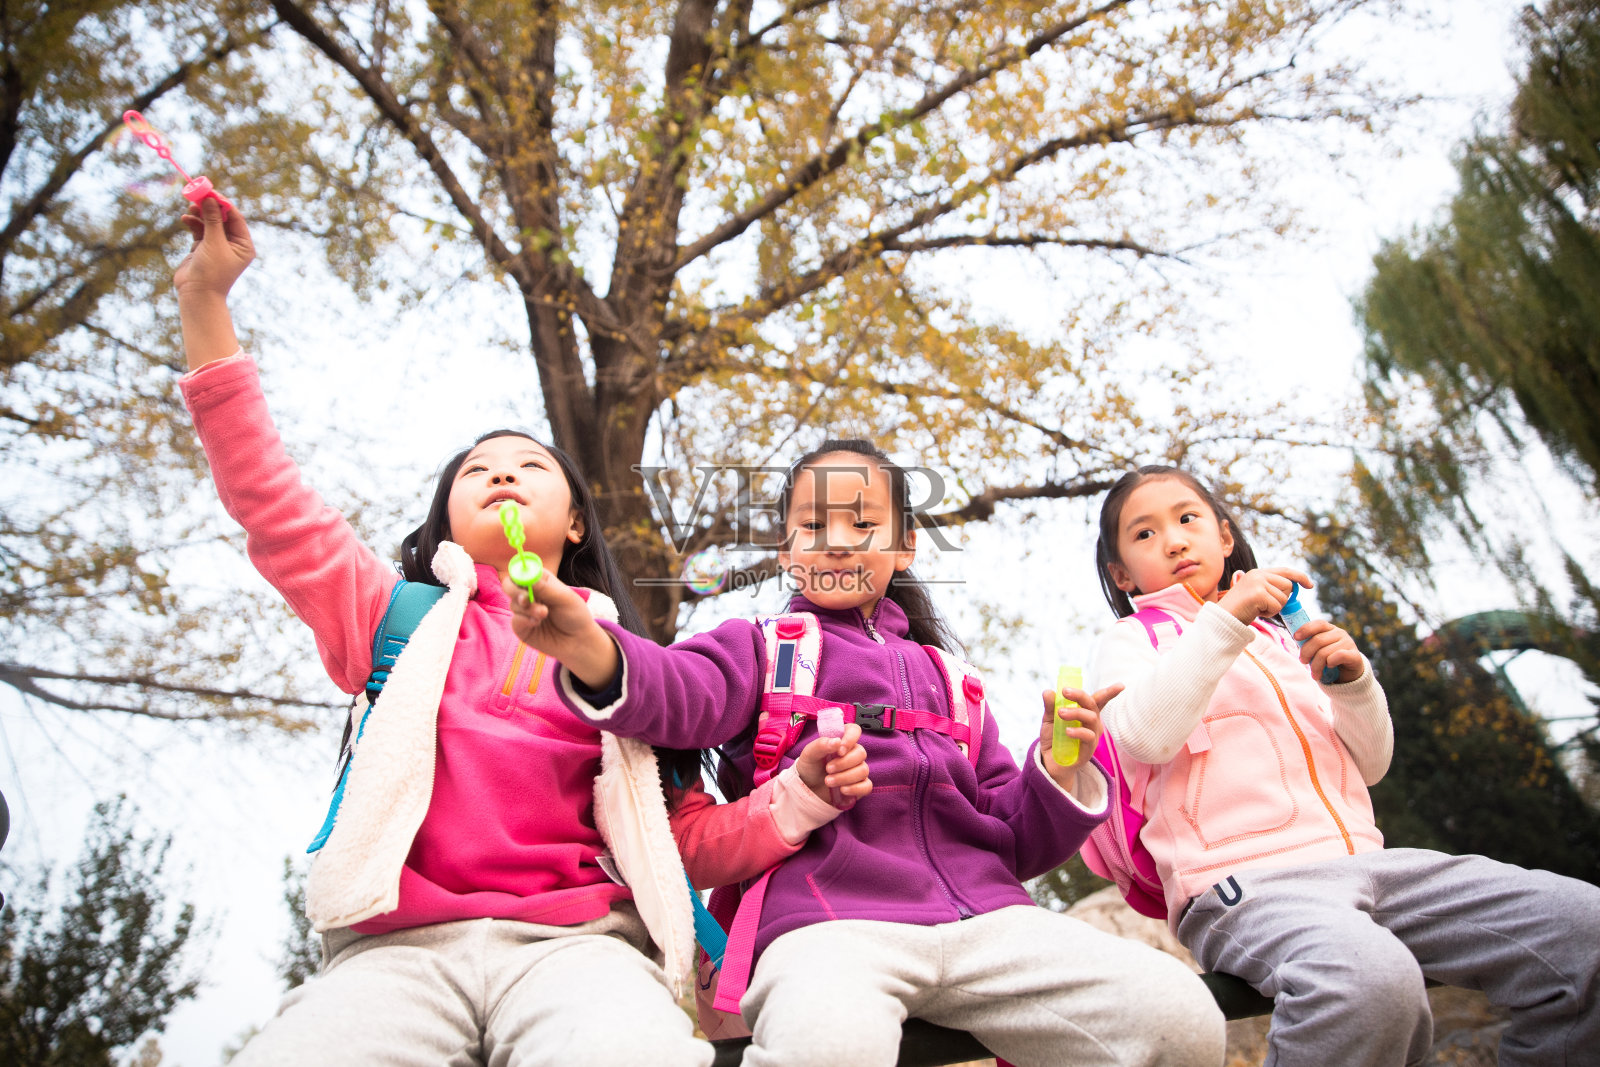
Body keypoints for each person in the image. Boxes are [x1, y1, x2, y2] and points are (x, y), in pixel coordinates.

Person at [172, 199, 863, 1066]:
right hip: (396, 955)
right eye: (477, 469)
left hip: (581, 952)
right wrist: (205, 301)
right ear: (445, 526)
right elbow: (270, 501)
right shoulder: (393, 620)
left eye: (531, 464)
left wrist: (797, 798)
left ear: (576, 524)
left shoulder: (638, 675)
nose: (502, 468)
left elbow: (690, 838)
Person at [502, 438, 1225, 1067]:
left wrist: (1062, 768)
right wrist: (594, 651)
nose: (838, 540)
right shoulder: (760, 648)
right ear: (787, 551)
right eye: (812, 526)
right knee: (828, 1043)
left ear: (905, 544)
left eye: (862, 522)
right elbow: (674, 688)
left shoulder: (954, 681)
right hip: (826, 923)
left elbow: (1013, 839)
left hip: (987, 920)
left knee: (1179, 1019)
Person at [1090, 463, 1600, 1067]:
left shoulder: (1284, 639)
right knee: (1372, 985)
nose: (1173, 539)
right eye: (1143, 534)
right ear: (1121, 573)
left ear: (1224, 538)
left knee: (1583, 931)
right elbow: (1145, 736)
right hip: (1245, 889)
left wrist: (1355, 685)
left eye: (1187, 518)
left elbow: (1372, 764)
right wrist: (1226, 620)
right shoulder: (1131, 643)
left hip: (1371, 866)